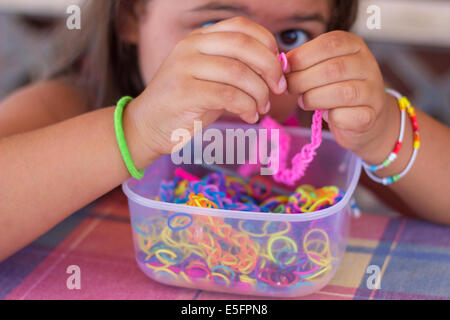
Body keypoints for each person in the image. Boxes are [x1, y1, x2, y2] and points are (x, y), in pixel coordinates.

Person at [0, 0, 449, 262]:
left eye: (292, 35)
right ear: (131, 16)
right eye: (214, 26)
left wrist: (383, 128)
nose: (256, 63)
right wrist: (138, 130)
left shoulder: (322, 123)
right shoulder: (71, 104)